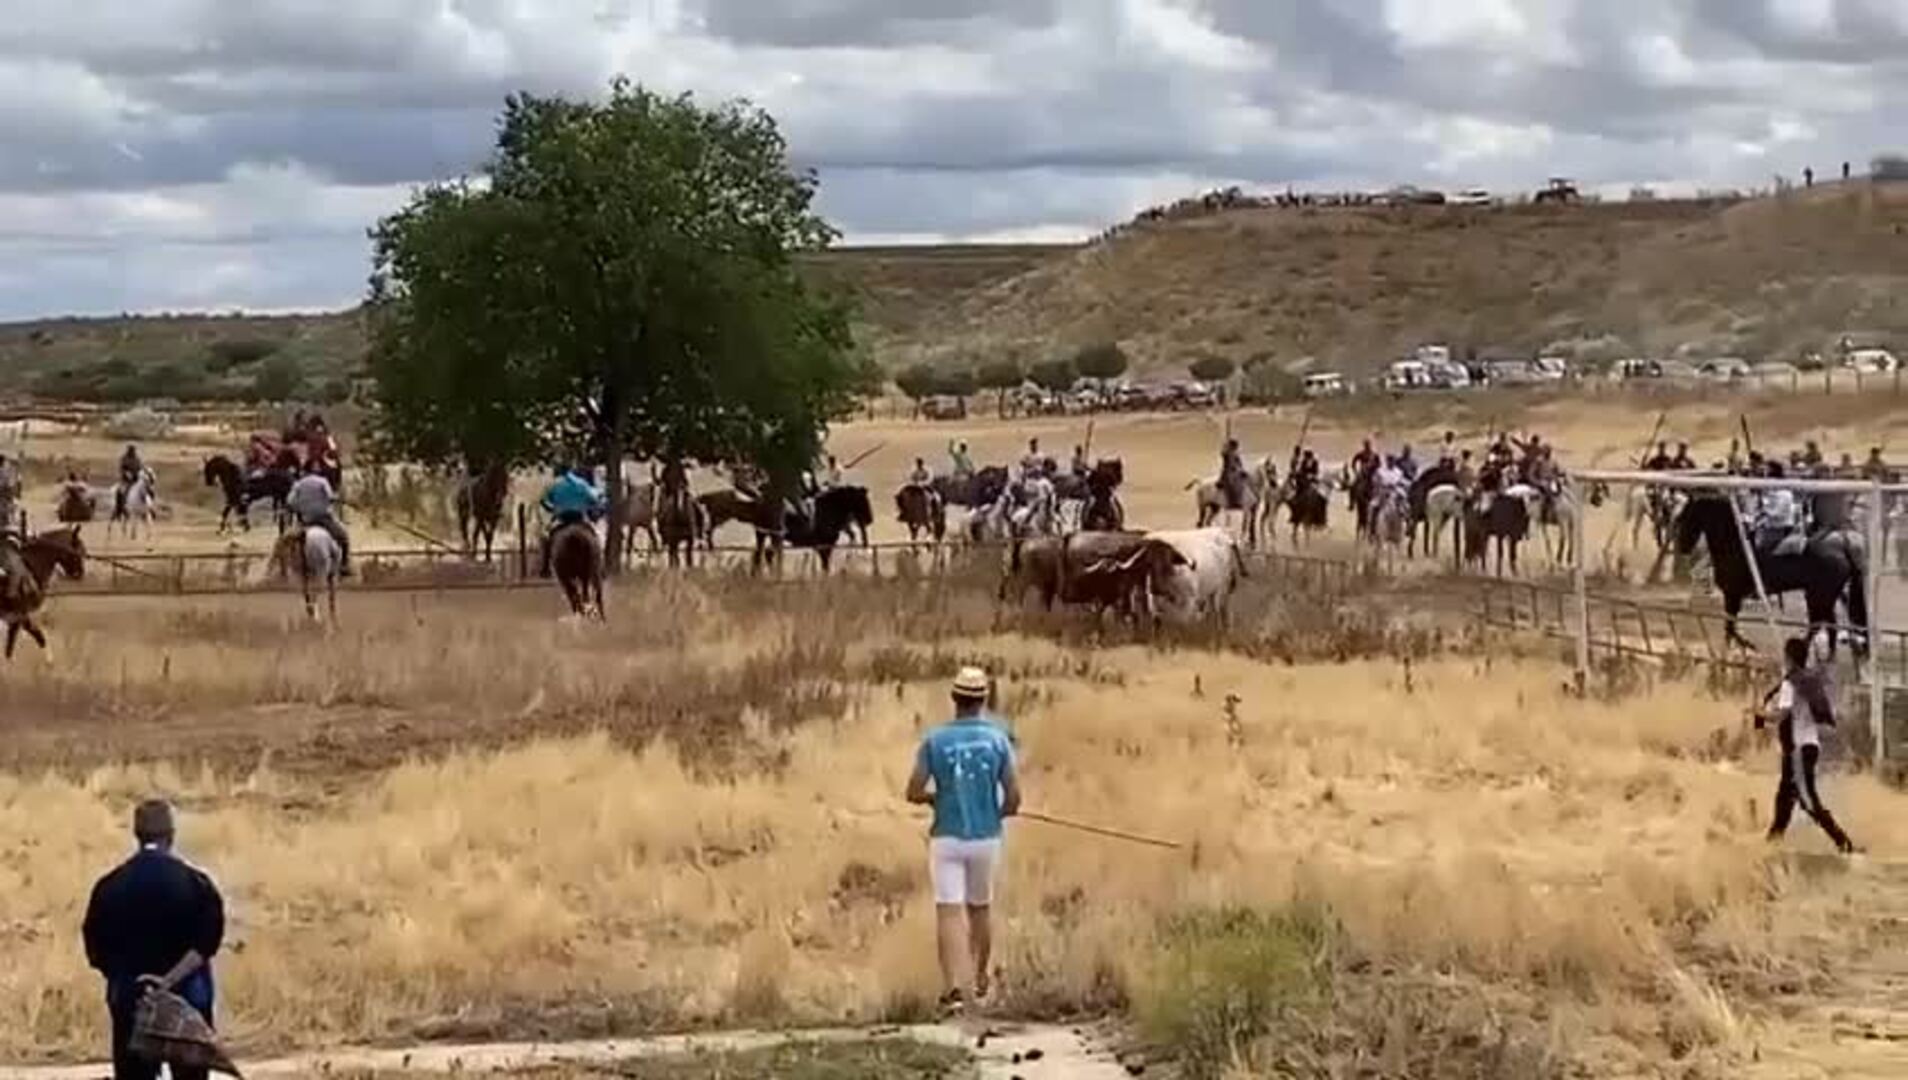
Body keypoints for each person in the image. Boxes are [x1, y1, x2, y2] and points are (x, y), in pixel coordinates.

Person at [82, 799, 227, 1080]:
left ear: (136, 835)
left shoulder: (108, 886)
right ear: (171, 835)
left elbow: (95, 950)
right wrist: (168, 982)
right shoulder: (196, 883)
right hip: (188, 1007)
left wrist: (135, 981)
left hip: (130, 1003)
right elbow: (206, 944)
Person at [905, 666, 1021, 1011]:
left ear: (954, 699)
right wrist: (997, 811)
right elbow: (1014, 797)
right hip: (986, 837)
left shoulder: (935, 741)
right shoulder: (998, 740)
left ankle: (952, 987)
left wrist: (933, 799)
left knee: (948, 911)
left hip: (947, 837)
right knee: (980, 908)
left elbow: (913, 790)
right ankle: (981, 980)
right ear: (984, 700)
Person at [1758, 637, 1858, 854]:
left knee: (1806, 800)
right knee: (1785, 799)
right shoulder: (1807, 680)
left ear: (1789, 659)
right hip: (1808, 747)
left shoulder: (1789, 683)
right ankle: (1772, 844)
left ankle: (1844, 843)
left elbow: (1781, 715)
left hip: (1798, 750)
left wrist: (1760, 715)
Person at [538, 464, 605, 576]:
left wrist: (552, 508)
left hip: (562, 519)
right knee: (596, 537)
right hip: (579, 517)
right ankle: (600, 565)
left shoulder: (555, 485)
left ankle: (545, 567)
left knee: (547, 538)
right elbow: (594, 499)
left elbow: (543, 500)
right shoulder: (582, 484)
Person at [287, 460, 351, 576]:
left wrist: (300, 507)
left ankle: (289, 566)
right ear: (316, 470)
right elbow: (330, 497)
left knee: (288, 540)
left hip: (306, 520)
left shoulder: (298, 484)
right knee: (344, 537)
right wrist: (338, 499)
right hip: (324, 518)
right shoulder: (322, 481)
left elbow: (290, 502)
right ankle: (344, 565)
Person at [1219, 437, 1246, 510]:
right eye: (1234, 446)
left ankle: (1242, 499)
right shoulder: (1227, 453)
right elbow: (1230, 463)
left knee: (1245, 481)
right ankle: (1232, 502)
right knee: (1232, 484)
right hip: (1228, 471)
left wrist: (1242, 470)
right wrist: (1225, 445)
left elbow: (1239, 463)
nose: (1236, 448)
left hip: (1236, 471)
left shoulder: (1236, 454)